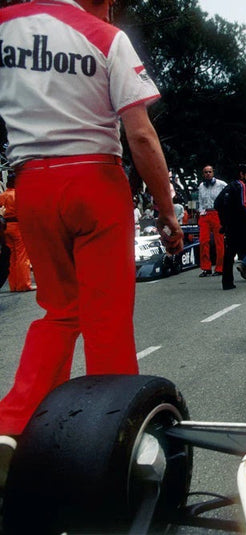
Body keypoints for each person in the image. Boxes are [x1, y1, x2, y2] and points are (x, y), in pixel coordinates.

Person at [0, 0, 182, 465]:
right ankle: (112, 432)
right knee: (107, 317)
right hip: (95, 179)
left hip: (31, 184)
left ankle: (12, 425)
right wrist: (166, 210)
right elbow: (140, 135)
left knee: (59, 309)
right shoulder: (105, 37)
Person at [0, 174, 34, 292]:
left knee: (10, 256)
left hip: (5, 228)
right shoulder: (18, 195)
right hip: (17, 226)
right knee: (21, 256)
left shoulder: (2, 196)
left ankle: (13, 285)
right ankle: (24, 284)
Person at [197, 165, 226, 277]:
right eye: (205, 172)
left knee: (219, 241)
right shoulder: (201, 186)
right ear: (203, 174)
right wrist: (200, 212)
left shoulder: (221, 184)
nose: (208, 174)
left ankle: (220, 267)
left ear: (213, 172)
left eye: (210, 172)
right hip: (205, 214)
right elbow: (200, 200)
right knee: (203, 241)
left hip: (217, 213)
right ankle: (206, 268)